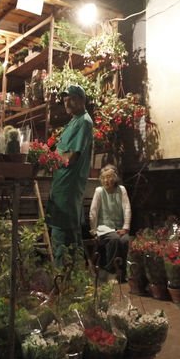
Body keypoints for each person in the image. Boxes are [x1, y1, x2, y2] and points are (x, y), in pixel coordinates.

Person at [46, 84, 94, 266]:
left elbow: (72, 156)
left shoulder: (84, 121)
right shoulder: (73, 122)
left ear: (82, 100)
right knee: (68, 237)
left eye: (71, 98)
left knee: (63, 235)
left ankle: (62, 282)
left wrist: (49, 160)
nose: (66, 102)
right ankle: (74, 282)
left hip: (68, 186)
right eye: (65, 99)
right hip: (61, 185)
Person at [89, 164, 132, 275]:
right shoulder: (99, 191)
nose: (106, 180)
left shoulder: (121, 190)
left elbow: (127, 208)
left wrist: (125, 228)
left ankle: (123, 271)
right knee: (114, 239)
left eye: (109, 177)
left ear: (115, 178)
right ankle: (111, 271)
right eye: (104, 178)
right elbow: (93, 212)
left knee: (125, 240)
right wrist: (94, 231)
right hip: (104, 228)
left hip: (119, 228)